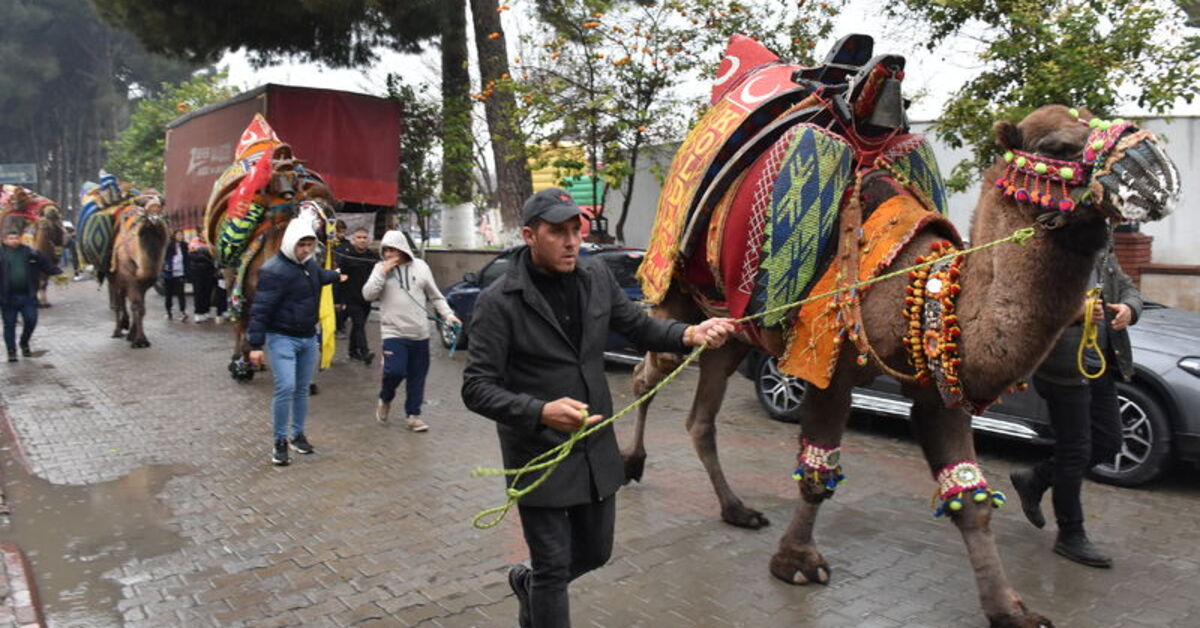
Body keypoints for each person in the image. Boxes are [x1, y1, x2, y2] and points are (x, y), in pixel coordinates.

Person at [461, 188, 736, 628]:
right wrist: (539, 411)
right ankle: (542, 591)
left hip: (594, 448)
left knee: (595, 552)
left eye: (576, 230)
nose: (571, 241)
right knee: (552, 567)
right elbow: (476, 388)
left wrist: (690, 333)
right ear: (531, 235)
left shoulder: (596, 279)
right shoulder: (498, 301)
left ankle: (531, 587)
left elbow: (640, 328)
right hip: (538, 454)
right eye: (557, 232)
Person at [1010, 240, 1142, 568]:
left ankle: (1036, 480)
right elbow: (1030, 309)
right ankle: (1070, 534)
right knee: (1075, 451)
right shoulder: (1048, 250)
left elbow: (1125, 285)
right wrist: (1077, 313)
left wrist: (1129, 308)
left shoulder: (1100, 245)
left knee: (1109, 442)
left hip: (1099, 364)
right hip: (1063, 368)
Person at [247, 219, 344, 466]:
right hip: (282, 338)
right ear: (291, 243)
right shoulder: (273, 270)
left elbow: (316, 277)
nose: (306, 250)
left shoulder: (309, 265)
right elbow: (260, 309)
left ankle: (297, 435)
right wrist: (256, 346)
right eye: (302, 244)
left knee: (302, 389)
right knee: (286, 387)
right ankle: (279, 441)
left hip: (308, 338)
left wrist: (335, 275)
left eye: (310, 244)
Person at [362, 229, 458, 431]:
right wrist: (381, 273)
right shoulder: (379, 268)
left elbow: (436, 296)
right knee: (394, 371)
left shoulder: (421, 267)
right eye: (385, 250)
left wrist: (448, 315)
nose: (388, 254)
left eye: (393, 250)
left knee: (417, 377)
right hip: (393, 333)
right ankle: (385, 398)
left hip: (420, 334)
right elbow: (368, 294)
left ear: (403, 249)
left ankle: (413, 416)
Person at [1, 230, 61, 361]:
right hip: (7, 298)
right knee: (9, 324)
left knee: (31, 320)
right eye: (10, 238)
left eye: (16, 238)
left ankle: (24, 342)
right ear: (5, 240)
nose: (14, 240)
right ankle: (11, 351)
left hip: (27, 295)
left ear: (20, 239)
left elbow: (46, 265)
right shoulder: (1, 254)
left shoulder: (30, 252)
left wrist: (57, 273)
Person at [334, 227, 379, 364]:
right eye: (359, 237)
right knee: (359, 324)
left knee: (358, 325)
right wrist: (337, 300)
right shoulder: (346, 255)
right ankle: (365, 352)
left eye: (364, 237)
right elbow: (338, 278)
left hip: (366, 298)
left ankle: (353, 352)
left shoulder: (372, 256)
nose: (362, 240)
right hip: (350, 297)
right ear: (353, 239)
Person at [162, 229, 189, 321]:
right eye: (178, 235)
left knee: (181, 293)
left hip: (180, 273)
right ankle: (168, 311)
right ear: (174, 236)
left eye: (181, 235)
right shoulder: (169, 245)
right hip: (169, 273)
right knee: (168, 294)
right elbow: (164, 258)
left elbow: (186, 259)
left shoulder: (184, 245)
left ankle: (183, 312)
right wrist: (166, 267)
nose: (180, 237)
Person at [188, 238, 217, 323]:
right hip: (197, 272)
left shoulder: (210, 243)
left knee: (207, 292)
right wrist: (204, 258)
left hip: (209, 272)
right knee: (198, 292)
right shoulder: (194, 242)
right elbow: (192, 256)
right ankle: (198, 312)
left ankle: (206, 311)